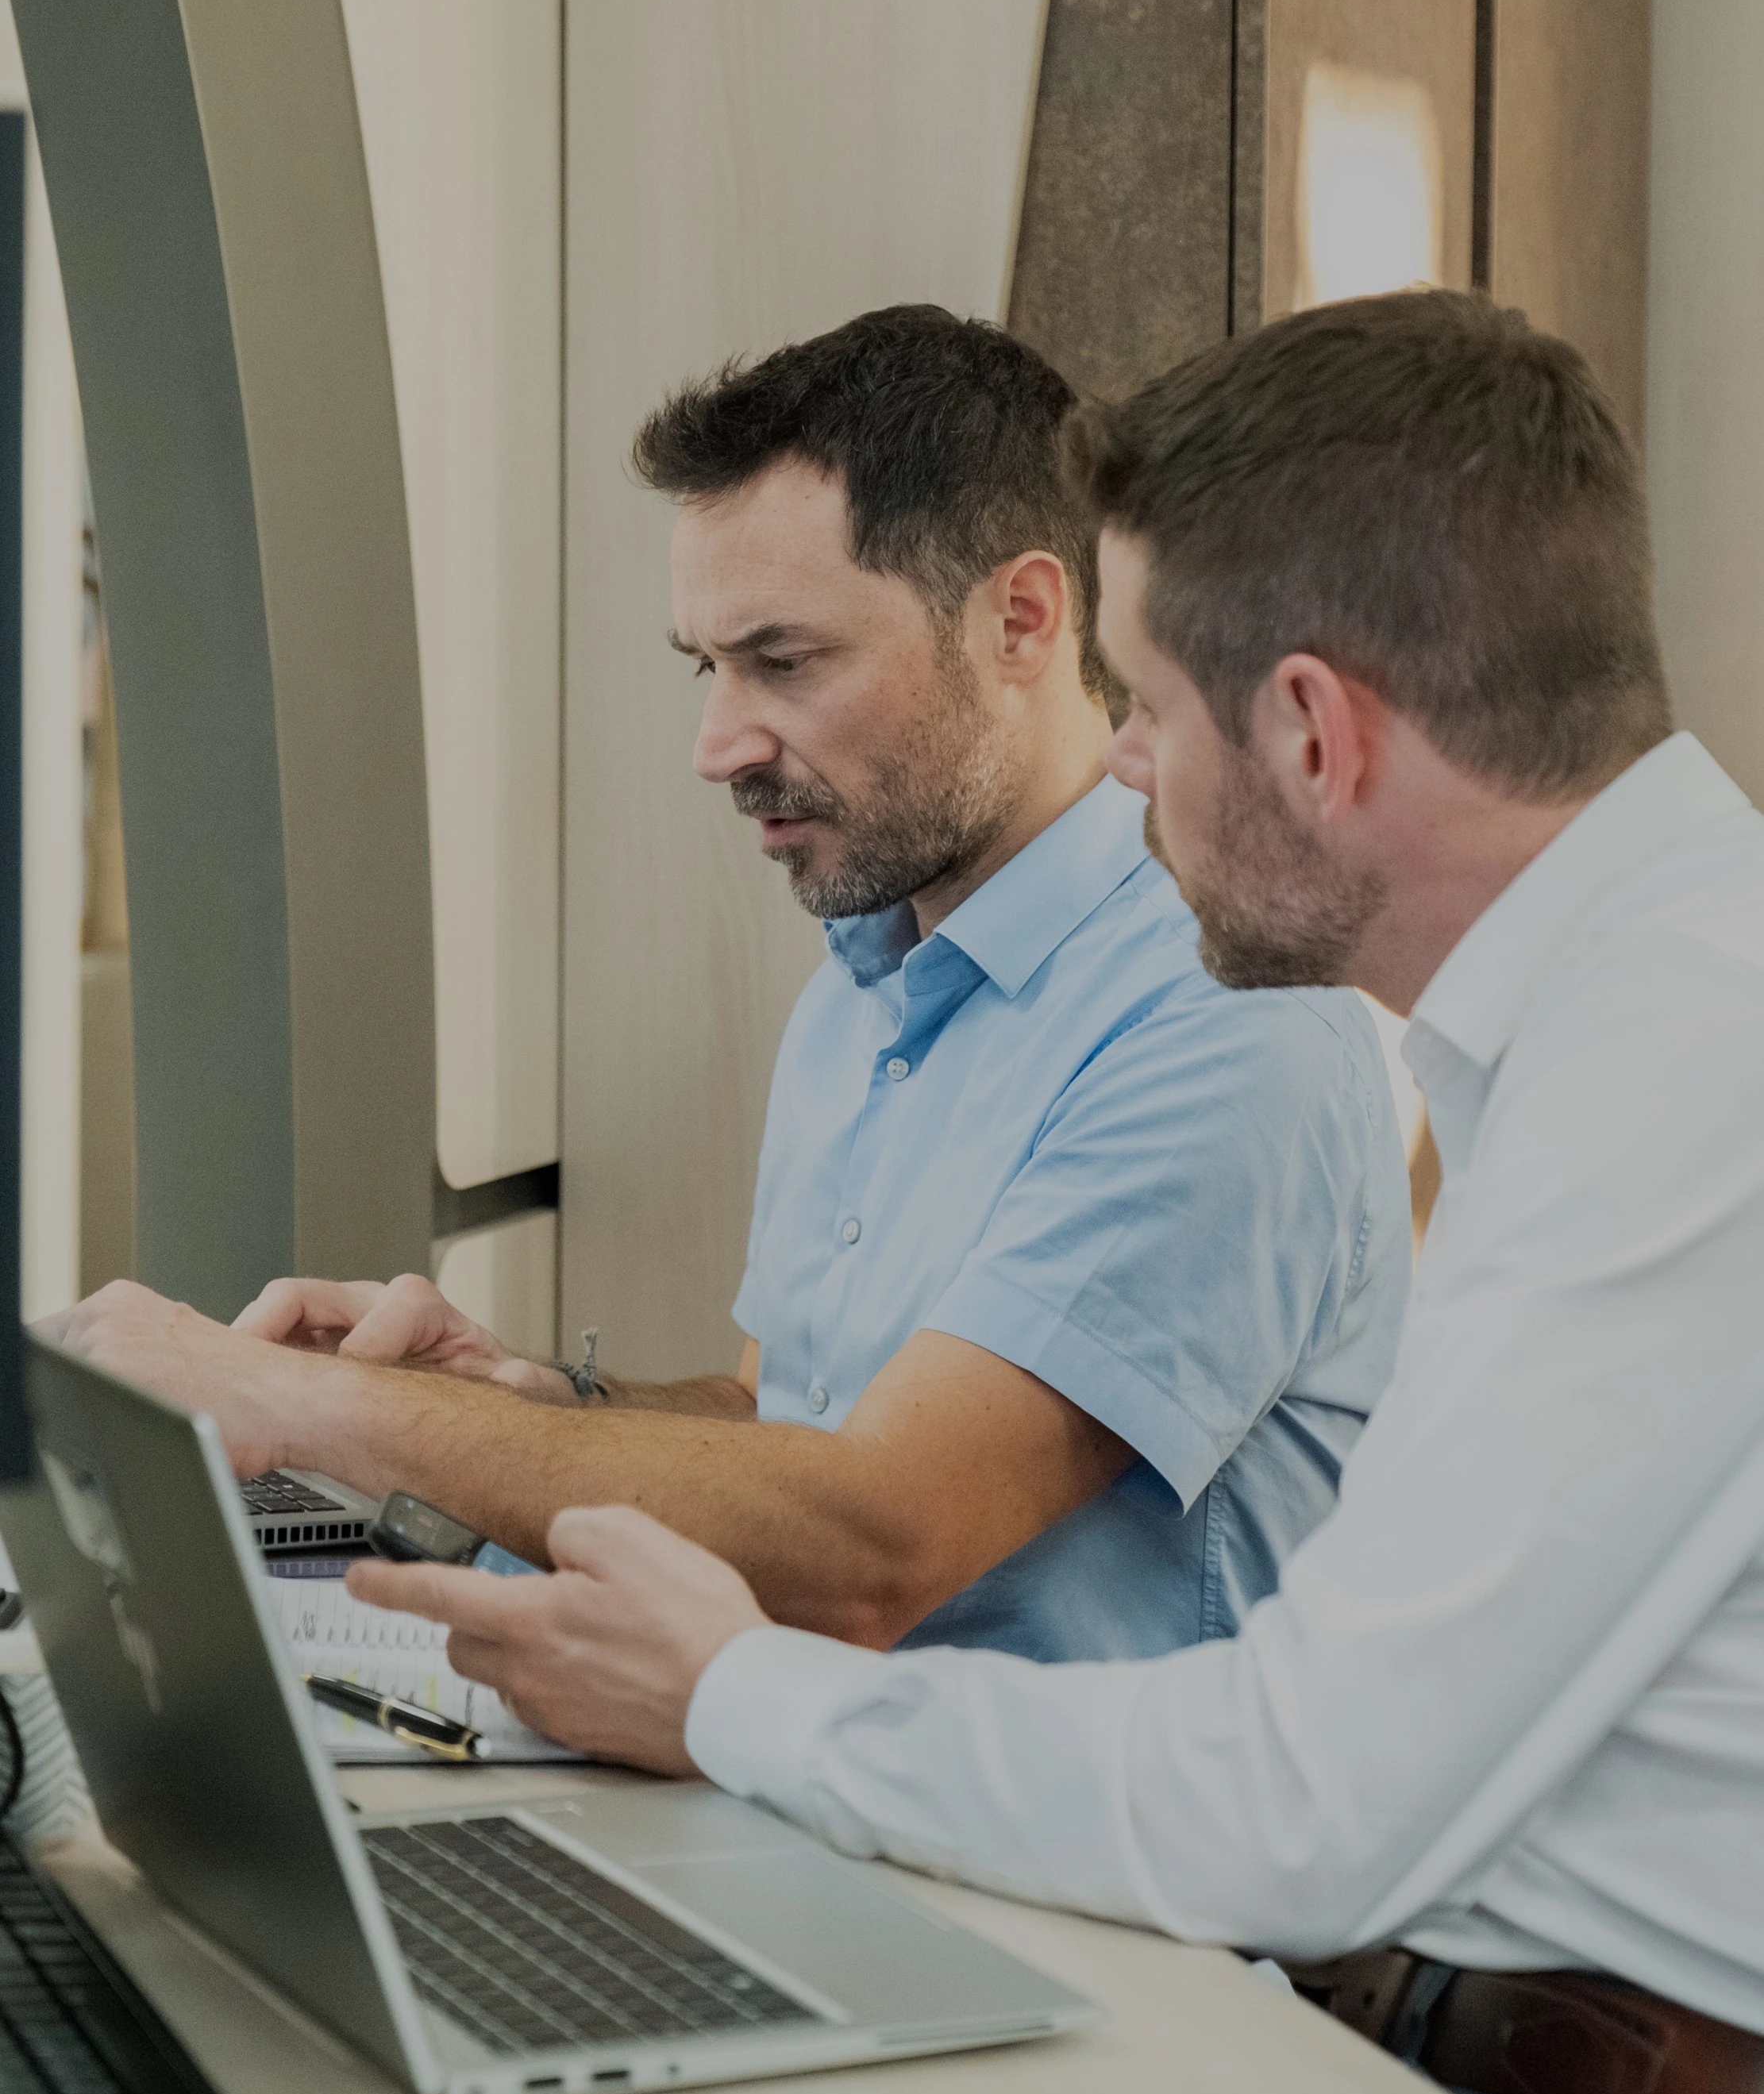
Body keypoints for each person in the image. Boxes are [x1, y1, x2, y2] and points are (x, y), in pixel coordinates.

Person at [341, 291, 1764, 2094]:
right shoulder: (1628, 1015)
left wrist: (739, 1695)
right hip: (1459, 2060)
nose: (1127, 786)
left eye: (1152, 719)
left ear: (1308, 731)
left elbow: (1299, 1803)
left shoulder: (1688, 1063)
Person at [54, 306, 1408, 1659]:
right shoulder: (865, 985)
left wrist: (306, 1409)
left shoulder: (1218, 1018)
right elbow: (791, 1427)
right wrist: (530, 1398)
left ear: (1021, 619)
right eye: (708, 666)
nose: (717, 742)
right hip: (804, 1791)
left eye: (785, 660)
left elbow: (875, 1542)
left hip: (1055, 1861)